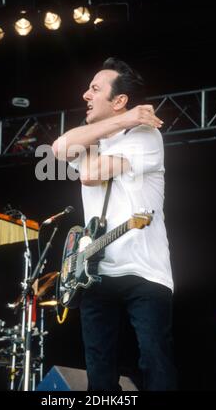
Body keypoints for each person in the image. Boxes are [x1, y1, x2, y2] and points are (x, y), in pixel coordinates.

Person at [52, 57, 177, 391]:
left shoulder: (145, 134)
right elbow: (59, 148)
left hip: (145, 271)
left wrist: (124, 123)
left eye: (95, 88)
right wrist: (104, 129)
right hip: (94, 270)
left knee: (154, 360)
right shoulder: (94, 138)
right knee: (99, 371)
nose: (85, 95)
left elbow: (91, 174)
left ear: (119, 100)